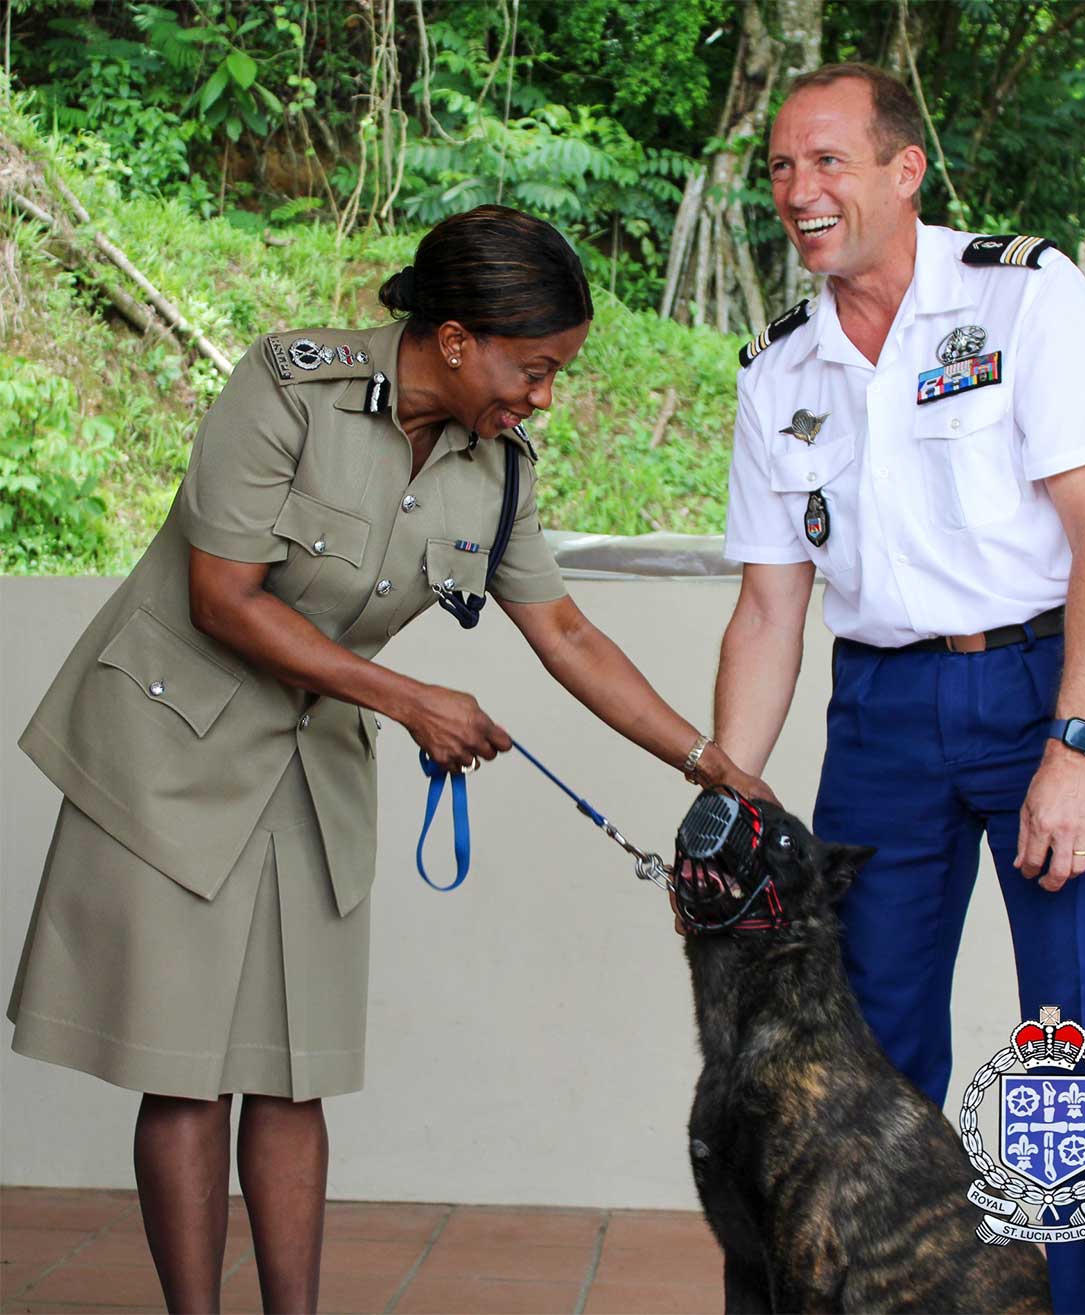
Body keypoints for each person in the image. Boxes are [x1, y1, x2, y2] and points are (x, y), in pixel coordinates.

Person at [7, 204, 771, 1315]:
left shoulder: (495, 470)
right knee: (185, 1072)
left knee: (291, 1069)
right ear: (455, 338)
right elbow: (224, 598)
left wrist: (708, 762)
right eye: (535, 365)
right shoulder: (287, 387)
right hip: (168, 753)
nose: (544, 394)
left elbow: (566, 635)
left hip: (306, 767)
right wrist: (413, 699)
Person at [712, 64, 1085, 1315]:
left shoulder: (1022, 299)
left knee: (1072, 1057)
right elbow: (769, 606)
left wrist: (1075, 747)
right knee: (857, 1056)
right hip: (880, 719)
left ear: (904, 171)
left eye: (829, 163)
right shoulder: (779, 373)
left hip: (1043, 690)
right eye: (781, 169)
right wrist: (732, 795)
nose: (800, 192)